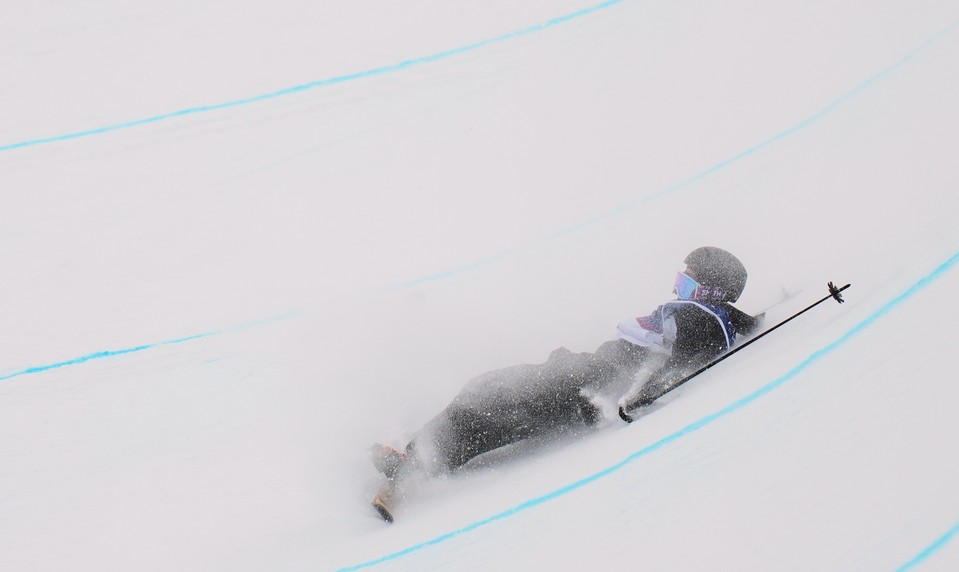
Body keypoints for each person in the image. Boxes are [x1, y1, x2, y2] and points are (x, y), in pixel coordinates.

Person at [371, 246, 764, 482]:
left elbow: (678, 366)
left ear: (712, 291)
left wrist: (632, 398)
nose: (680, 289)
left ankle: (419, 461)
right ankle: (420, 449)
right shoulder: (704, 314)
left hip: (593, 382)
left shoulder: (704, 319)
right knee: (489, 392)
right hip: (589, 370)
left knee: (491, 400)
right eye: (681, 281)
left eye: (689, 284)